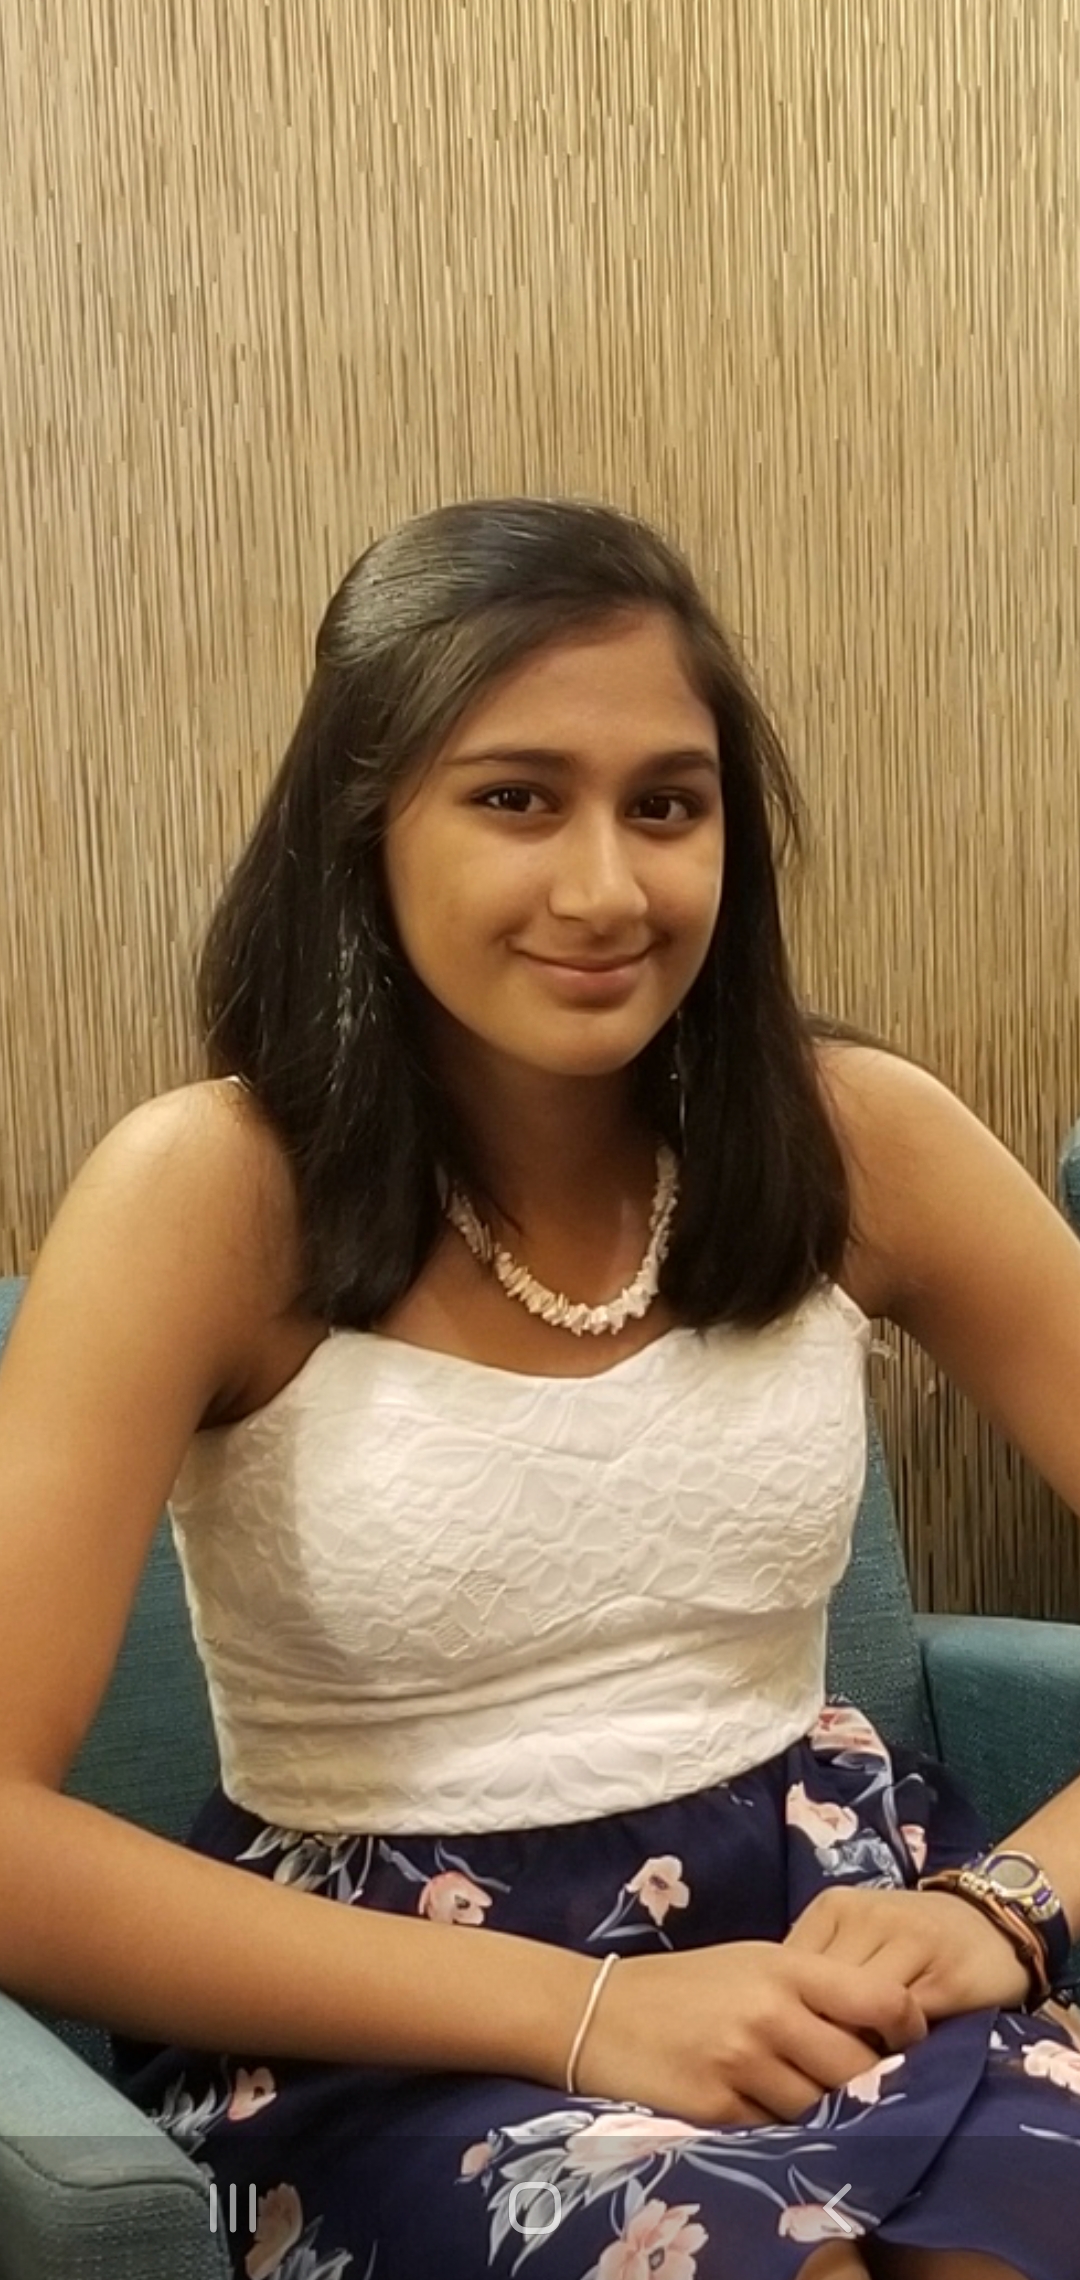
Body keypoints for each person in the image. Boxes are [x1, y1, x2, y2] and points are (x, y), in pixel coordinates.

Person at [1, 498, 1079, 2280]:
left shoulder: (854, 1139)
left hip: (832, 1918)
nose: (606, 890)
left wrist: (1012, 1902)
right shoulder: (206, 1195)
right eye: (515, 798)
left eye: (667, 806)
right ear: (365, 824)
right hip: (387, 2022)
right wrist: (584, 2015)